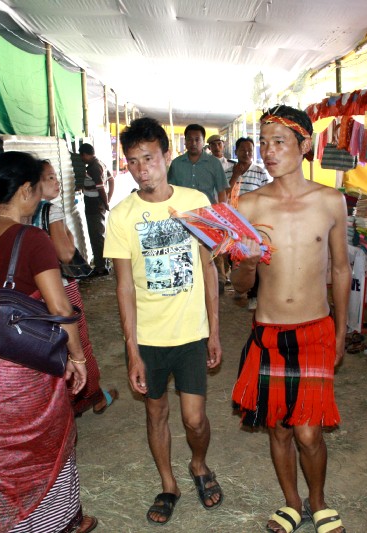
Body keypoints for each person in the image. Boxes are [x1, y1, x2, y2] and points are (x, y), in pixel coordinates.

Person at [0, 151, 98, 533]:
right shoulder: (32, 239)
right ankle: (55, 524)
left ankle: (15, 525)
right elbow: (60, 308)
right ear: (26, 190)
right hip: (23, 373)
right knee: (44, 449)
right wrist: (78, 358)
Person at [230, 105, 351, 533]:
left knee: (308, 433)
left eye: (279, 142)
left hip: (316, 330)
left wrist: (342, 331)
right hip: (268, 333)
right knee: (279, 430)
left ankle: (318, 502)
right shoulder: (248, 204)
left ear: (305, 145)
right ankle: (292, 503)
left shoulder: (331, 201)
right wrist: (246, 262)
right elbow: (240, 285)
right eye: (263, 142)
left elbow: (341, 270)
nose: (268, 151)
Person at [104, 117, 223, 526]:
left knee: (194, 418)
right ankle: (168, 484)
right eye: (133, 162)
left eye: (149, 159)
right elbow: (124, 287)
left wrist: (214, 330)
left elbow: (208, 268)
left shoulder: (196, 202)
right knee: (155, 413)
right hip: (148, 337)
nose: (142, 170)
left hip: (191, 333)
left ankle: (198, 463)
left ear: (166, 156)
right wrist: (132, 350)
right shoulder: (121, 216)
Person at [33, 160, 118, 416]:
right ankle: (92, 395)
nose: (57, 181)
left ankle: (64, 403)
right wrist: (69, 238)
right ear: (34, 183)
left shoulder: (19, 213)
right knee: (78, 342)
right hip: (59, 286)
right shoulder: (50, 210)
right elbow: (65, 252)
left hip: (34, 292)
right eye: (50, 177)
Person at [168, 124, 230, 292]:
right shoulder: (176, 164)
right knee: (186, 249)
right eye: (189, 139)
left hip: (208, 215)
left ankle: (219, 280)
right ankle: (187, 282)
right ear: (185, 142)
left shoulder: (213, 163)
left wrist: (222, 215)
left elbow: (222, 190)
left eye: (197, 139)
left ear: (203, 142)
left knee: (211, 250)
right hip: (183, 216)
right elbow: (170, 190)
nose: (193, 143)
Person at [226, 136, 271, 310]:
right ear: (236, 151)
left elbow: (267, 196)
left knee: (254, 256)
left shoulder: (260, 172)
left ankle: (253, 295)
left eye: (250, 151)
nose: (246, 153)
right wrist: (235, 175)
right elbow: (224, 195)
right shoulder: (228, 172)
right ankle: (240, 286)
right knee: (234, 256)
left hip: (255, 224)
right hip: (233, 224)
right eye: (243, 150)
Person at [79, 143, 113, 276]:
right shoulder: (100, 164)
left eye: (82, 156)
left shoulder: (93, 167)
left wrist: (106, 202)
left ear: (85, 154)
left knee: (96, 235)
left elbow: (100, 187)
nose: (82, 159)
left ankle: (100, 266)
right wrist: (107, 199)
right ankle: (104, 263)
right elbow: (111, 180)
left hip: (94, 205)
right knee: (99, 234)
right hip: (98, 204)